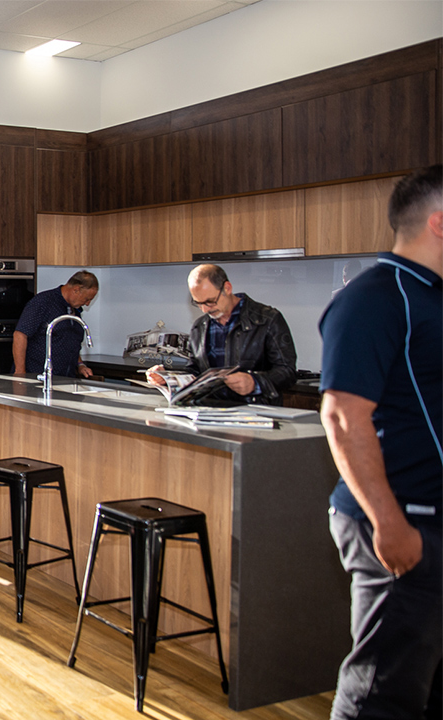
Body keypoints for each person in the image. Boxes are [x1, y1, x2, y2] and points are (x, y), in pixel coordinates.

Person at [318, 165, 442, 719]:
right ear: (439, 223)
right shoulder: (377, 297)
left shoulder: (431, 297)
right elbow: (343, 418)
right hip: (399, 521)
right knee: (381, 695)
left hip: (431, 518)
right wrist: (389, 524)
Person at [149, 264, 296, 405]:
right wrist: (168, 377)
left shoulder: (267, 320)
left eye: (210, 301)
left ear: (227, 288)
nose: (205, 309)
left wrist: (254, 382)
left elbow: (287, 372)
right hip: (210, 411)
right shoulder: (200, 327)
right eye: (198, 303)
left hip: (256, 413)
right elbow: (195, 373)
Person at [13, 270, 99, 378]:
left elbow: (70, 342)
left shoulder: (74, 309)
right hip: (37, 376)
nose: (87, 304)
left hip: (66, 378)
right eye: (87, 299)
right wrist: (20, 372)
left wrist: (80, 365)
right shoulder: (43, 302)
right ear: (76, 290)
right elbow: (20, 335)